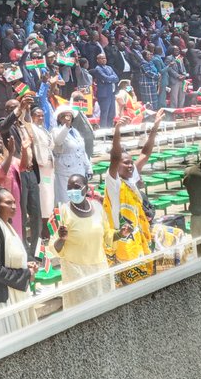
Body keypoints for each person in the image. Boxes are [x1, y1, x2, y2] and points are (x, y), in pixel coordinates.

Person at [103, 112, 163, 286]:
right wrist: (117, 131)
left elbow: (145, 153)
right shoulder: (113, 183)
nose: (130, 166)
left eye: (130, 163)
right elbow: (114, 157)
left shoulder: (130, 179)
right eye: (126, 163)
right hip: (122, 240)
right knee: (131, 282)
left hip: (138, 235)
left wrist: (155, 128)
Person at [0, 187, 35, 337]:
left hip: (11, 292)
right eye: (8, 203)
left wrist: (25, 266)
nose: (14, 206)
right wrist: (25, 274)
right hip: (1, 297)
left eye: (14, 202)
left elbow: (8, 260)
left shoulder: (7, 226)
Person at [51, 174, 114, 307]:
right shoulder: (62, 212)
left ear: (86, 189)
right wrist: (62, 239)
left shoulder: (97, 208)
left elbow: (108, 236)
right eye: (69, 188)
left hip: (99, 268)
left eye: (77, 187)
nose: (72, 191)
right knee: (81, 311)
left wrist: (122, 234)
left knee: (102, 308)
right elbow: (54, 248)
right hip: (75, 272)